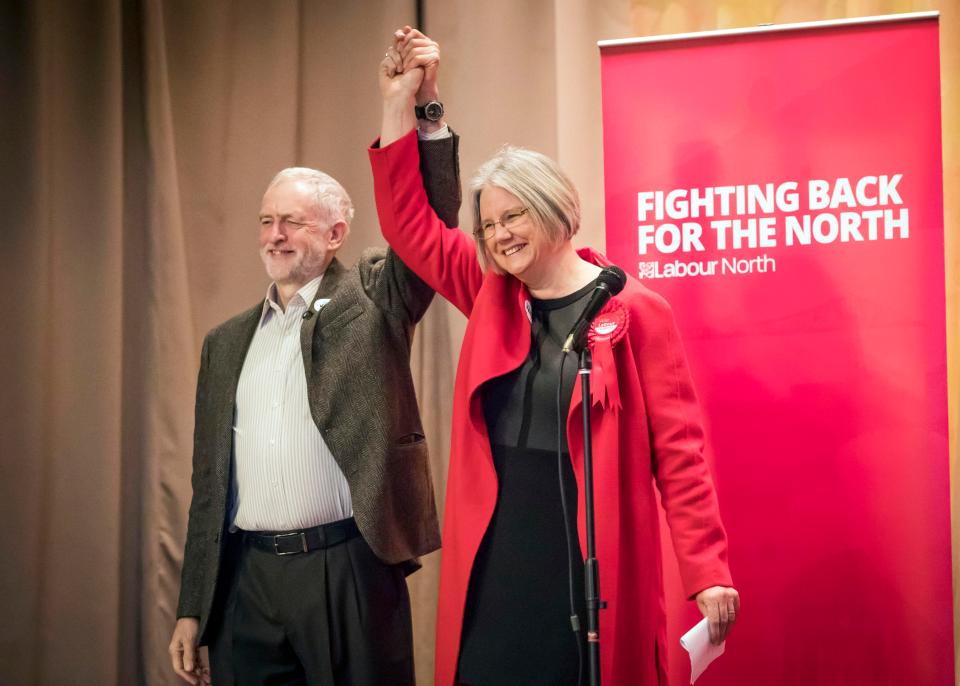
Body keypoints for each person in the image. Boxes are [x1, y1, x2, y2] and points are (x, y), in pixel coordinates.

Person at [370, 28, 740, 686]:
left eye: (512, 217)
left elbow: (680, 456)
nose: (499, 235)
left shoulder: (634, 308)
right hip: (497, 550)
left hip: (587, 550)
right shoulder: (488, 293)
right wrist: (409, 104)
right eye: (487, 224)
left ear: (554, 212)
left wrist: (707, 571)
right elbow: (409, 224)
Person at [167, 83, 461, 685]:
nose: (274, 234)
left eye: (293, 222)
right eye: (267, 221)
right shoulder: (224, 344)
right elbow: (207, 486)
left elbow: (430, 227)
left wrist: (424, 117)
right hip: (245, 581)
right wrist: (194, 605)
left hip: (347, 568)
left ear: (335, 235)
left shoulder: (374, 297)